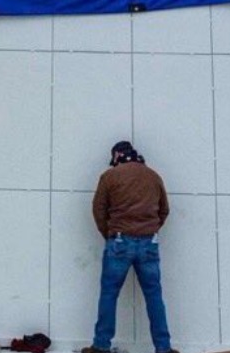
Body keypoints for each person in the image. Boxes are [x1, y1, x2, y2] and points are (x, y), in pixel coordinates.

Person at [83, 141, 178, 353]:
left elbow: (98, 209)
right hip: (148, 243)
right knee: (154, 295)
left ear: (116, 156)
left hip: (119, 241)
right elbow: (164, 210)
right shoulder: (154, 176)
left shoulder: (110, 176)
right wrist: (150, 229)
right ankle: (163, 348)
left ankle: (101, 345)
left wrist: (109, 234)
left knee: (109, 294)